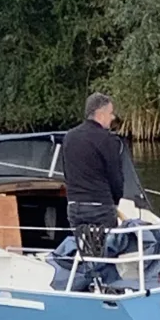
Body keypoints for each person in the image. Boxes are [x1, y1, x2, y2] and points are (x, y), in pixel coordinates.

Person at [62, 92, 124, 236]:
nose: (113, 117)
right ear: (100, 114)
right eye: (111, 113)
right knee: (107, 250)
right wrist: (115, 202)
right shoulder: (108, 140)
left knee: (84, 247)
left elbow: (67, 173)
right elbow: (115, 177)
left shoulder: (69, 137)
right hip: (100, 206)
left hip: (74, 206)